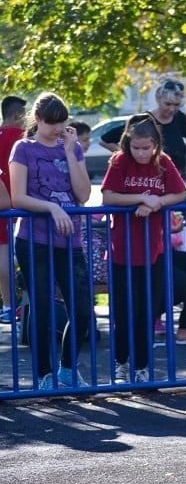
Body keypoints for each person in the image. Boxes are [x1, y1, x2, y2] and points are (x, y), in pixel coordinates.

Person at [9, 93, 93, 389]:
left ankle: (68, 368)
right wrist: (52, 207)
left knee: (83, 310)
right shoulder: (24, 148)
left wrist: (71, 152)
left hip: (70, 241)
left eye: (62, 122)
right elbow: (18, 197)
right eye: (51, 122)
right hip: (35, 240)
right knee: (42, 308)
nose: (57, 128)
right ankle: (44, 374)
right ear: (38, 119)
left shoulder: (72, 148)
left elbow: (83, 195)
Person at [101, 114, 186, 383]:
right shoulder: (119, 161)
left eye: (146, 147)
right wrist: (141, 197)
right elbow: (108, 196)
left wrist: (157, 203)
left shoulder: (163, 162)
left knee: (147, 312)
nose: (141, 153)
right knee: (123, 312)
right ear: (128, 143)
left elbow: (181, 193)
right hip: (122, 251)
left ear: (155, 144)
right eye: (136, 147)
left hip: (153, 251)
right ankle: (121, 363)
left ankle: (142, 366)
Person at [100, 78, 186, 178]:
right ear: (158, 99)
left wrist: (184, 151)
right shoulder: (144, 120)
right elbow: (104, 140)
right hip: (150, 179)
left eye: (176, 105)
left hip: (176, 176)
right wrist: (130, 154)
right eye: (168, 104)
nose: (172, 109)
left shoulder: (179, 117)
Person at [0, 95, 26, 325]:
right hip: (22, 204)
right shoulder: (24, 139)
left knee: (4, 256)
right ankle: (22, 307)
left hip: (5, 206)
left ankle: (9, 306)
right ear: (18, 115)